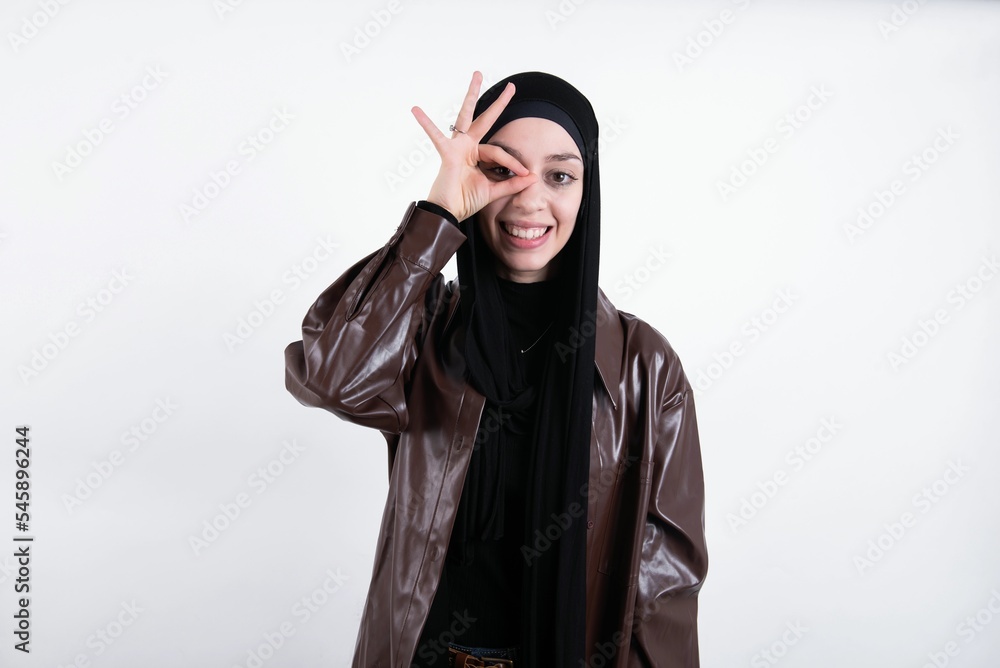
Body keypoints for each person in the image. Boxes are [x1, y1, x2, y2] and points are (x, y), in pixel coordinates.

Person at [284, 70, 708, 667]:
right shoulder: (423, 327)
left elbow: (664, 586)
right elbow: (331, 376)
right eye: (502, 171)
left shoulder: (644, 364)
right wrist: (437, 213)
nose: (531, 200)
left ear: (588, 191)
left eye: (560, 175)